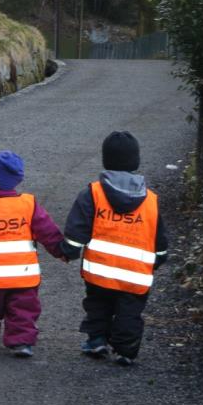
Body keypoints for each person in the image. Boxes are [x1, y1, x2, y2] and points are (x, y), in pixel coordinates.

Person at [60, 131, 168, 366]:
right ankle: (126, 350)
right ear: (136, 161)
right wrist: (158, 259)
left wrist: (69, 250)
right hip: (135, 272)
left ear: (106, 160)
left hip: (100, 269)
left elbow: (77, 228)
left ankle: (97, 340)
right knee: (129, 311)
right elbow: (159, 237)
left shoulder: (93, 193)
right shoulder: (150, 200)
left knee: (98, 304)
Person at [0, 151, 67, 357]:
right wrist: (60, 251)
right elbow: (47, 230)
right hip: (24, 275)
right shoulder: (28, 204)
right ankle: (22, 342)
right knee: (23, 309)